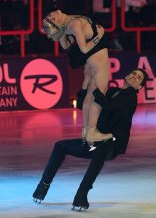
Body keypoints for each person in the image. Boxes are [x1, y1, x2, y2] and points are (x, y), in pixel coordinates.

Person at [32, 68, 148, 210]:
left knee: (101, 150)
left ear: (139, 87)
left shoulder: (131, 98)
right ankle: (43, 185)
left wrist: (95, 88)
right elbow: (83, 105)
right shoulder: (111, 91)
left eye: (139, 78)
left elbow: (109, 106)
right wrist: (85, 87)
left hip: (111, 144)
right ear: (126, 75)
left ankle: (82, 193)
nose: (135, 77)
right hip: (95, 140)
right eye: (133, 74)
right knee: (60, 146)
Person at [42, 9, 112, 146]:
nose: (52, 13)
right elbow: (84, 49)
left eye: (50, 15)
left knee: (91, 94)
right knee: (99, 95)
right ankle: (92, 131)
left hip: (92, 59)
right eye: (51, 16)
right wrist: (100, 35)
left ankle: (86, 131)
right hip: (97, 57)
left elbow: (65, 44)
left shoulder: (67, 23)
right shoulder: (73, 24)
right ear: (56, 23)